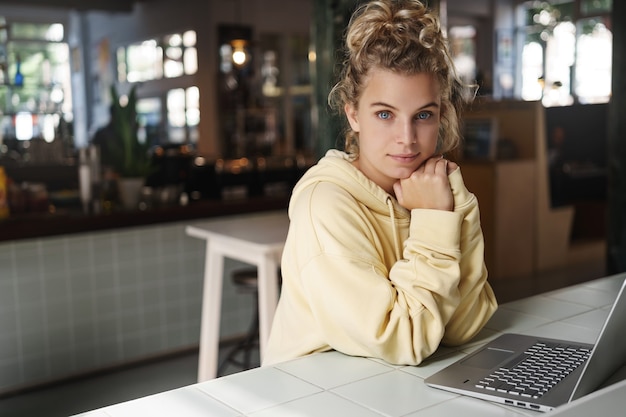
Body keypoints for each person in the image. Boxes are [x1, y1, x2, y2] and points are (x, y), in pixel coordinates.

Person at [263, 0, 498, 367]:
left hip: (389, 387)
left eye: (423, 115)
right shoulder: (325, 205)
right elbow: (405, 340)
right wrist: (434, 221)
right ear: (353, 114)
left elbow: (463, 326)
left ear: (441, 115)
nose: (407, 138)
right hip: (313, 395)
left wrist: (453, 209)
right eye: (385, 114)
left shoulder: (436, 189)